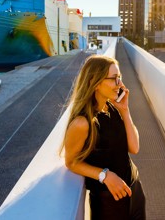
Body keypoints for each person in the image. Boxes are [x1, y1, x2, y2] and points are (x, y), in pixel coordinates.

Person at [62, 55, 146, 219]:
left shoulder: (111, 108)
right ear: (95, 82)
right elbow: (71, 161)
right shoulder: (82, 123)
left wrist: (125, 111)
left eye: (119, 78)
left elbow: (134, 147)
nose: (120, 84)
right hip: (109, 202)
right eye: (114, 79)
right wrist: (104, 175)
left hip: (134, 189)